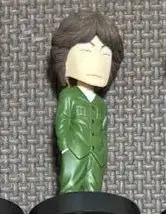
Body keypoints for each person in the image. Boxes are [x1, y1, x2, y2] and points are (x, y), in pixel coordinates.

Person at [50, 11, 124, 194]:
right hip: (74, 150)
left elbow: (103, 129)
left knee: (94, 186)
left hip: (96, 154)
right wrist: (66, 147)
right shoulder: (69, 96)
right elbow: (62, 123)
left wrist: (103, 152)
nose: (97, 63)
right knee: (71, 185)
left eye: (105, 55)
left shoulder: (100, 103)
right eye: (86, 51)